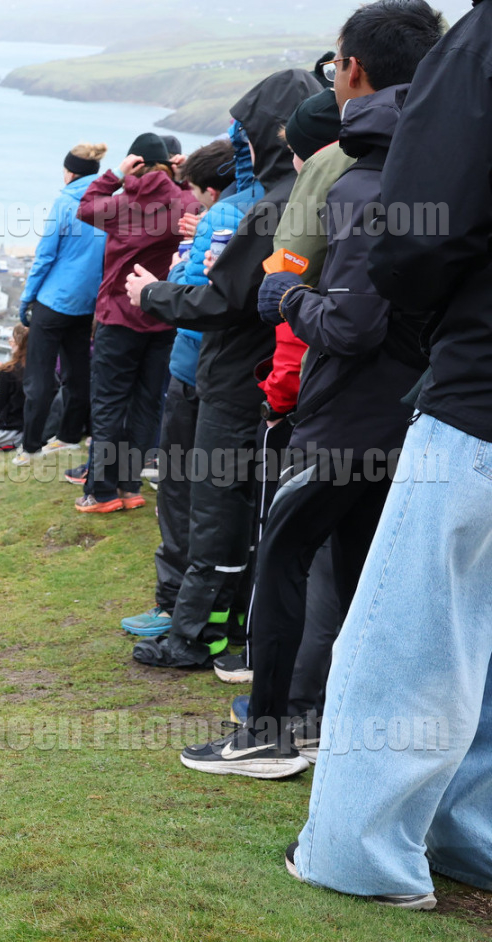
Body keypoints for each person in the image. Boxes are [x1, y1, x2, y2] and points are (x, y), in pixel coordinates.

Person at [182, 1, 442, 779]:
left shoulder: (358, 181)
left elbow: (353, 324)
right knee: (361, 572)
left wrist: (287, 297)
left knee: (285, 558)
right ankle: (331, 722)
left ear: (351, 70)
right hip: (413, 411)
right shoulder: (438, 164)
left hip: (346, 413)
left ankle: (266, 735)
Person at [276, 0, 492, 918]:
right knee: (480, 631)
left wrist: (420, 314)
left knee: (408, 631)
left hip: (477, 389)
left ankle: (360, 851)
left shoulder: (479, 46)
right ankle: (469, 833)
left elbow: (421, 233)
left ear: (351, 68)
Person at [126, 68, 323, 666]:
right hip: (272, 380)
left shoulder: (273, 205)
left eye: (246, 132)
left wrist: (150, 294)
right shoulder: (308, 192)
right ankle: (227, 625)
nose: (242, 143)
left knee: (216, 511)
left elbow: (223, 301)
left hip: (240, 378)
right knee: (242, 509)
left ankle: (194, 637)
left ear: (266, 134)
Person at [121, 135, 253, 638]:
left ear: (210, 190)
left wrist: (158, 288)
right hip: (247, 377)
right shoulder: (277, 199)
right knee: (229, 497)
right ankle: (226, 610)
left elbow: (202, 302)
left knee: (181, 493)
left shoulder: (224, 216)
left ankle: (175, 604)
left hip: (198, 368)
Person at [74, 132, 198, 512]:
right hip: (162, 317)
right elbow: (199, 204)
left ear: (136, 163)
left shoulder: (121, 204)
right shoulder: (184, 203)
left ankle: (101, 492)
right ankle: (129, 487)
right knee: (147, 402)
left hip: (117, 317)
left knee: (109, 404)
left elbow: (85, 206)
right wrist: (183, 177)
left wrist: (114, 173)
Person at [14, 142, 107, 465]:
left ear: (70, 172)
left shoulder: (64, 202)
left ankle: (30, 447)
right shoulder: (110, 202)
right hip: (87, 302)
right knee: (78, 371)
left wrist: (27, 298)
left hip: (52, 302)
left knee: (38, 377)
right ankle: (68, 436)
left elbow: (45, 256)